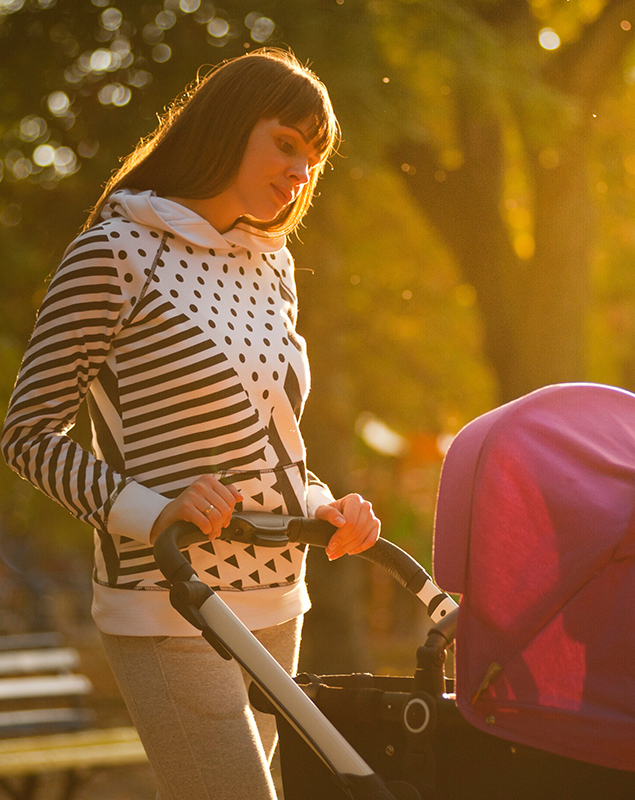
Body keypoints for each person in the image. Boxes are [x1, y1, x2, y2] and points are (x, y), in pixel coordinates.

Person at [1, 47, 380, 800]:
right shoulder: (115, 250)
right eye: (286, 143)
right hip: (169, 593)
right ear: (230, 123)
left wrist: (322, 505)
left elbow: (272, 442)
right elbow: (28, 435)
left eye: (314, 157)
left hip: (279, 592)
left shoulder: (267, 265)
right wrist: (152, 509)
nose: (301, 171)